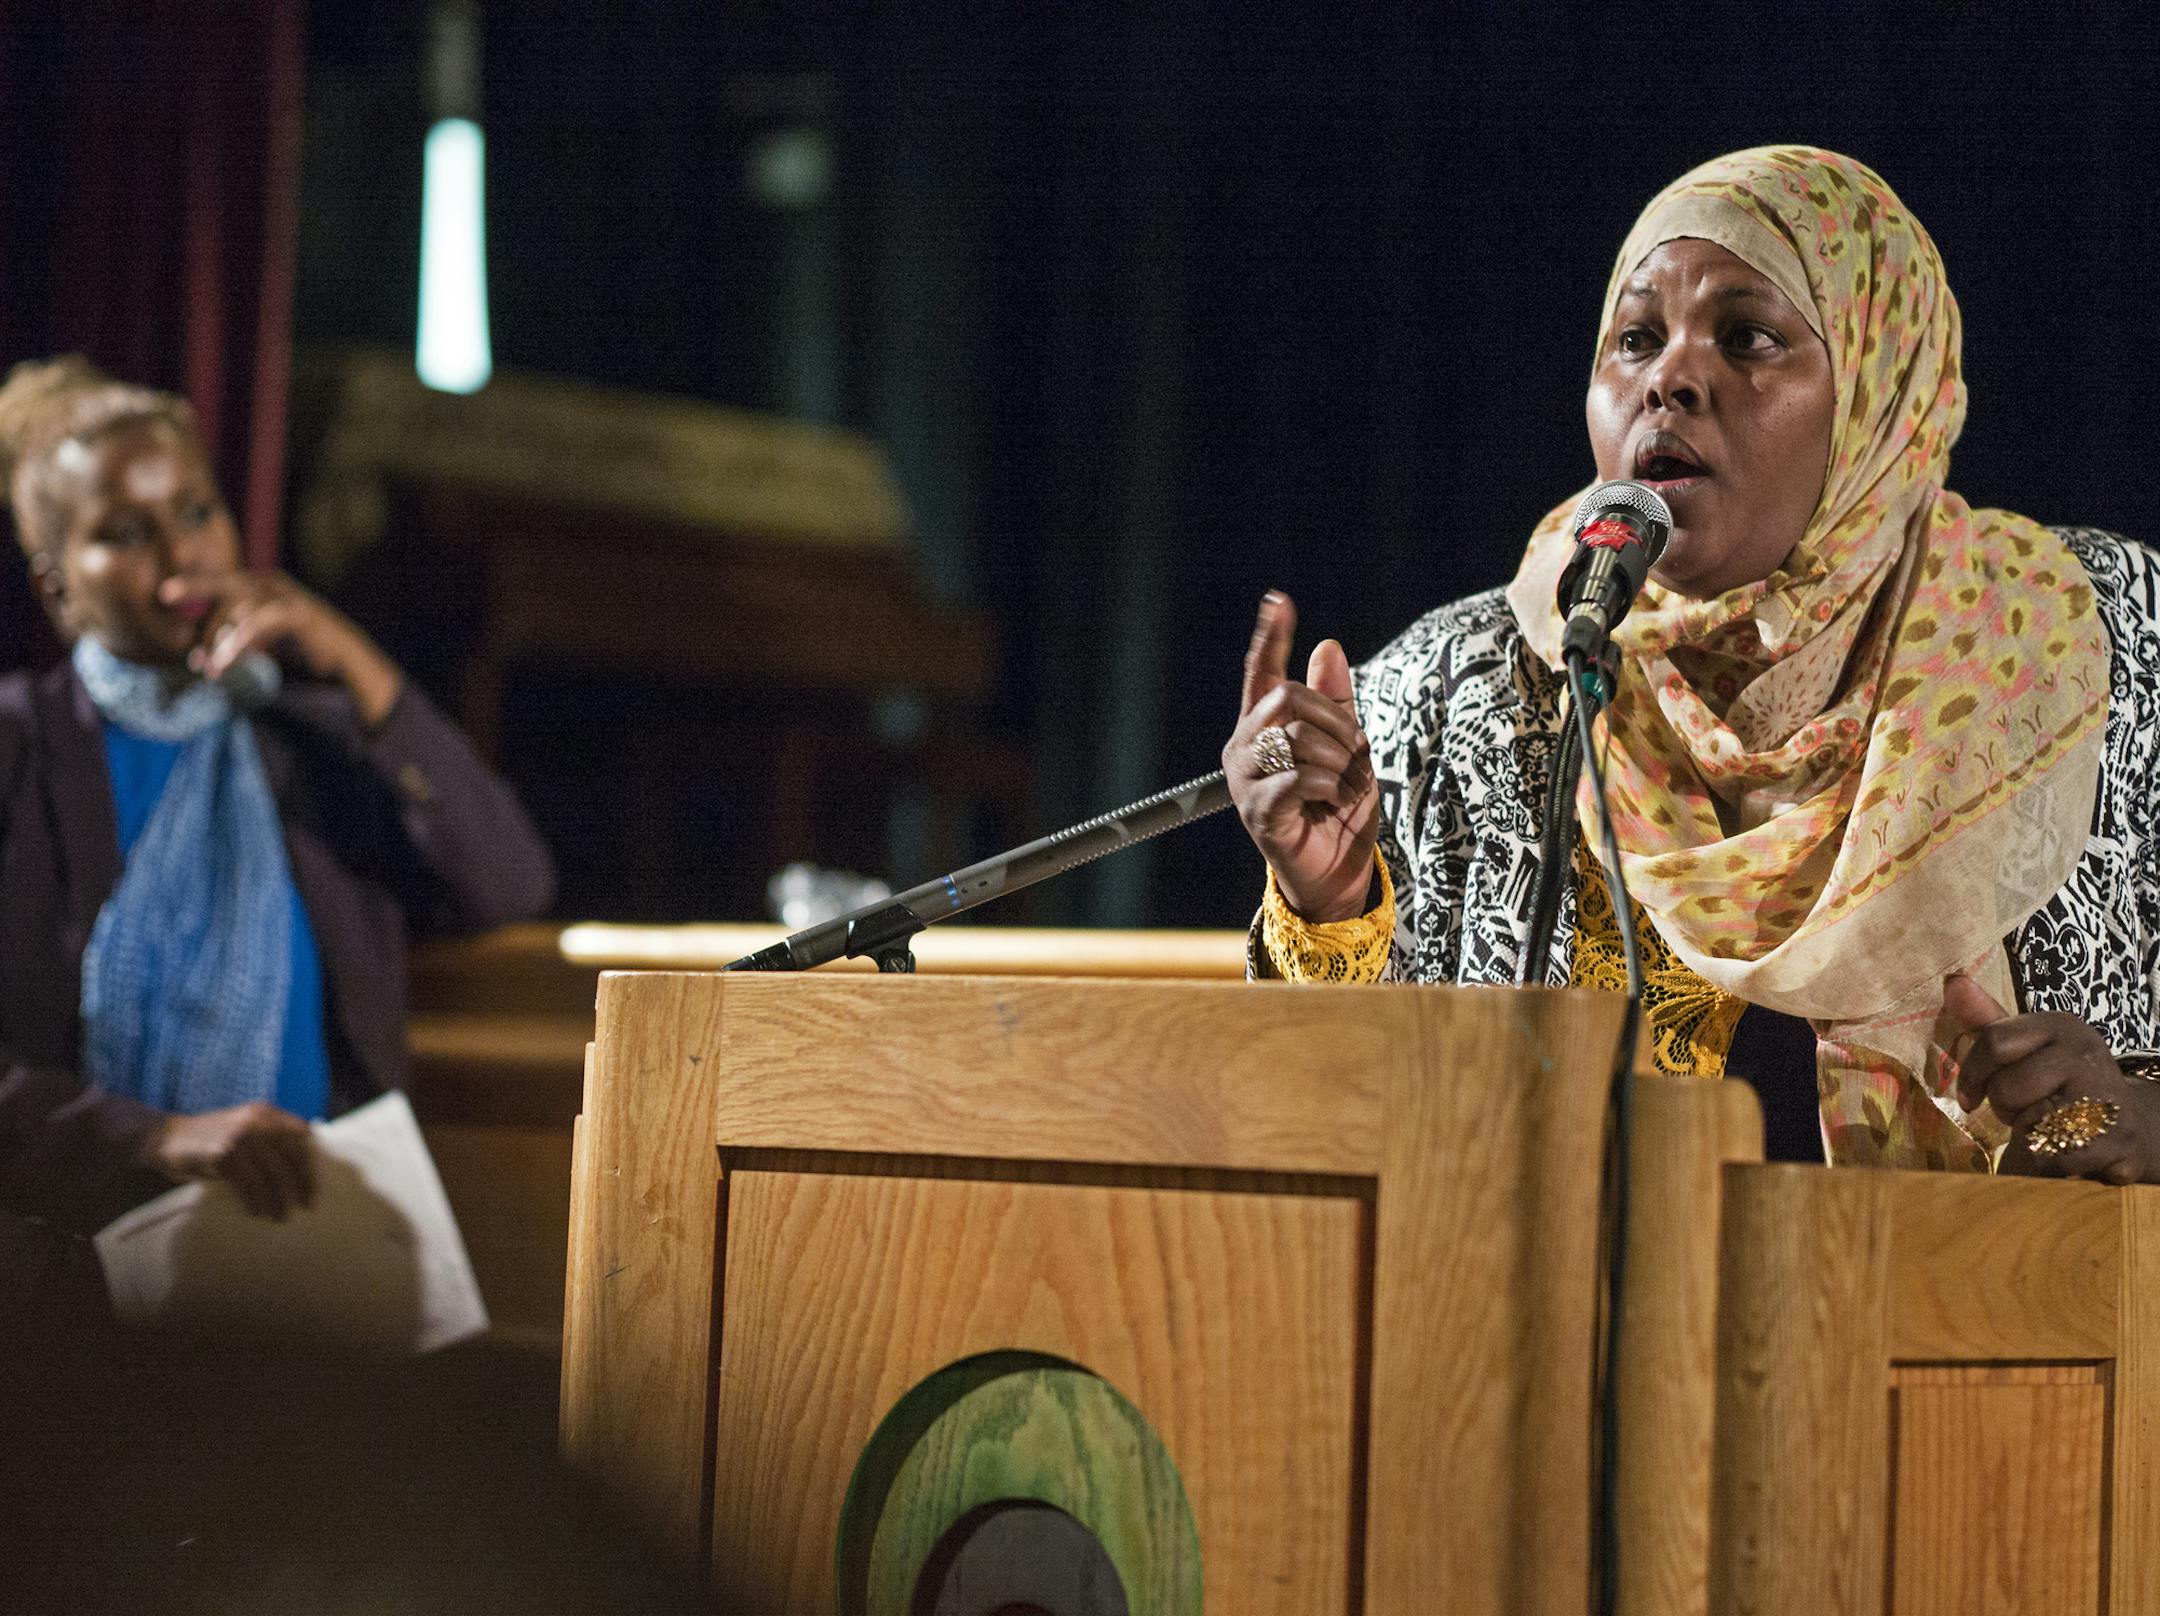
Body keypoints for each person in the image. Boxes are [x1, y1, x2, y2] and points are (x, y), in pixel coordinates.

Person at [1223, 145, 2158, 1181]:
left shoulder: (2097, 645)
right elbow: (1340, 1144)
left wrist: (2143, 1118)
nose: (1669, 378)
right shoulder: (1453, 691)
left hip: (2007, 1321)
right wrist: (1333, 902)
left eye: (1748, 337)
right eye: (1633, 339)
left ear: (1883, 394)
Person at [0, 356, 554, 1308]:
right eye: (123, 533)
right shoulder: (19, 745)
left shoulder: (314, 741)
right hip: (75, 1279)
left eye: (197, 511)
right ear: (57, 589)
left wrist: (352, 661)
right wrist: (156, 1136)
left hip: (313, 1256)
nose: (181, 557)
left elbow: (507, 880)